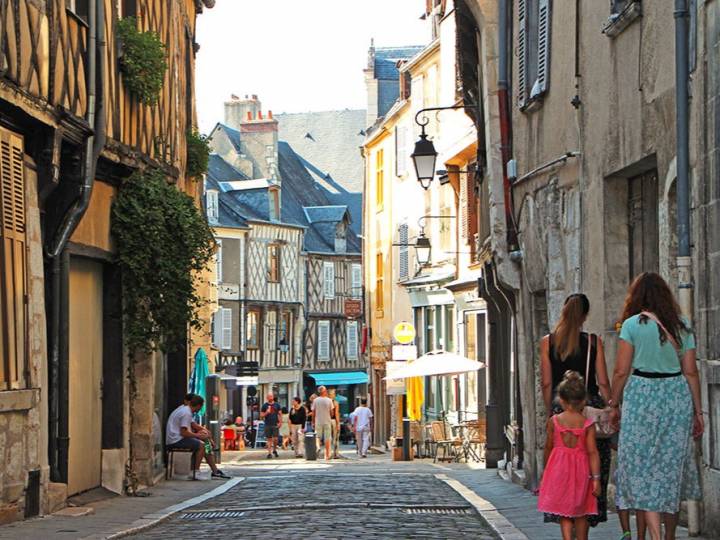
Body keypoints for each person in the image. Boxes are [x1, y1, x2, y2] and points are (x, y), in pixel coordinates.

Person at [609, 272, 703, 540]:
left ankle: (651, 534)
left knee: (641, 468)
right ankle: (669, 534)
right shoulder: (682, 325)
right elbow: (691, 372)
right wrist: (698, 411)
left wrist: (613, 403)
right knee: (669, 471)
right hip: (675, 397)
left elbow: (621, 370)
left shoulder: (631, 325)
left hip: (641, 397)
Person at [539, 293, 611, 528]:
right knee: (590, 464)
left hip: (561, 408)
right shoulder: (592, 342)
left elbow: (547, 383)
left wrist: (550, 409)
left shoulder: (547, 342)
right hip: (588, 409)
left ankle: (563, 519)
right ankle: (588, 515)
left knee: (562, 469)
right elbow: (602, 382)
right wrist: (611, 405)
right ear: (585, 315)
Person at [537, 371, 601, 540]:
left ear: (561, 400)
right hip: (582, 472)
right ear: (583, 401)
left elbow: (548, 447)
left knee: (564, 513)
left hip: (559, 470)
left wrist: (545, 472)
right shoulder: (587, 424)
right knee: (582, 512)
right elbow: (592, 452)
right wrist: (596, 478)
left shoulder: (554, 421)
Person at [166, 394, 230, 479]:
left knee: (206, 443)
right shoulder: (186, 413)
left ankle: (215, 470)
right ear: (199, 406)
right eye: (201, 407)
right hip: (176, 440)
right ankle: (196, 471)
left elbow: (193, 425)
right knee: (202, 445)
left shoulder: (185, 410)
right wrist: (198, 435)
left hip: (179, 438)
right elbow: (184, 433)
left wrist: (205, 433)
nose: (200, 410)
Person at [311, 386, 334, 460]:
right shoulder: (329, 400)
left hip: (318, 421)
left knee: (317, 436)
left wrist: (313, 421)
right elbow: (332, 413)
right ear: (324, 391)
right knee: (327, 438)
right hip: (327, 421)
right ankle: (327, 455)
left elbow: (313, 412)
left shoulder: (315, 400)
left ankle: (318, 447)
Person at [260, 392, 282, 459]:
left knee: (275, 439)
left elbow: (280, 414)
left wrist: (280, 422)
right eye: (269, 396)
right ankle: (269, 453)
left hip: (275, 424)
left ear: (273, 397)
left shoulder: (277, 405)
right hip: (268, 424)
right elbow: (261, 416)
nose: (270, 398)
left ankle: (274, 450)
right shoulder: (264, 406)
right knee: (269, 439)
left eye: (271, 396)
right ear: (267, 398)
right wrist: (267, 412)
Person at [328, 389, 341, 458]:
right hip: (333, 421)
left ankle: (328, 454)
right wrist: (338, 424)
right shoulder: (335, 403)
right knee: (335, 438)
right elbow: (336, 414)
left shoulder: (325, 402)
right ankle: (336, 454)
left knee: (328, 438)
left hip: (326, 421)